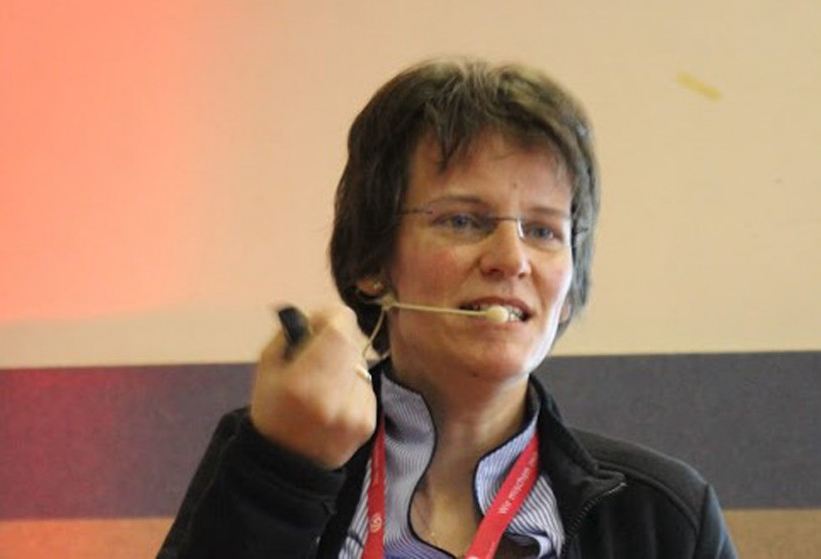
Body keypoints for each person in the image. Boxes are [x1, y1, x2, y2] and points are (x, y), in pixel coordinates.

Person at [158, 58, 737, 558]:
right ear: (373, 262)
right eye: (463, 221)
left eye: (543, 231)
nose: (511, 260)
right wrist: (285, 474)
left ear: (568, 290)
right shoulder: (277, 451)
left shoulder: (663, 514)